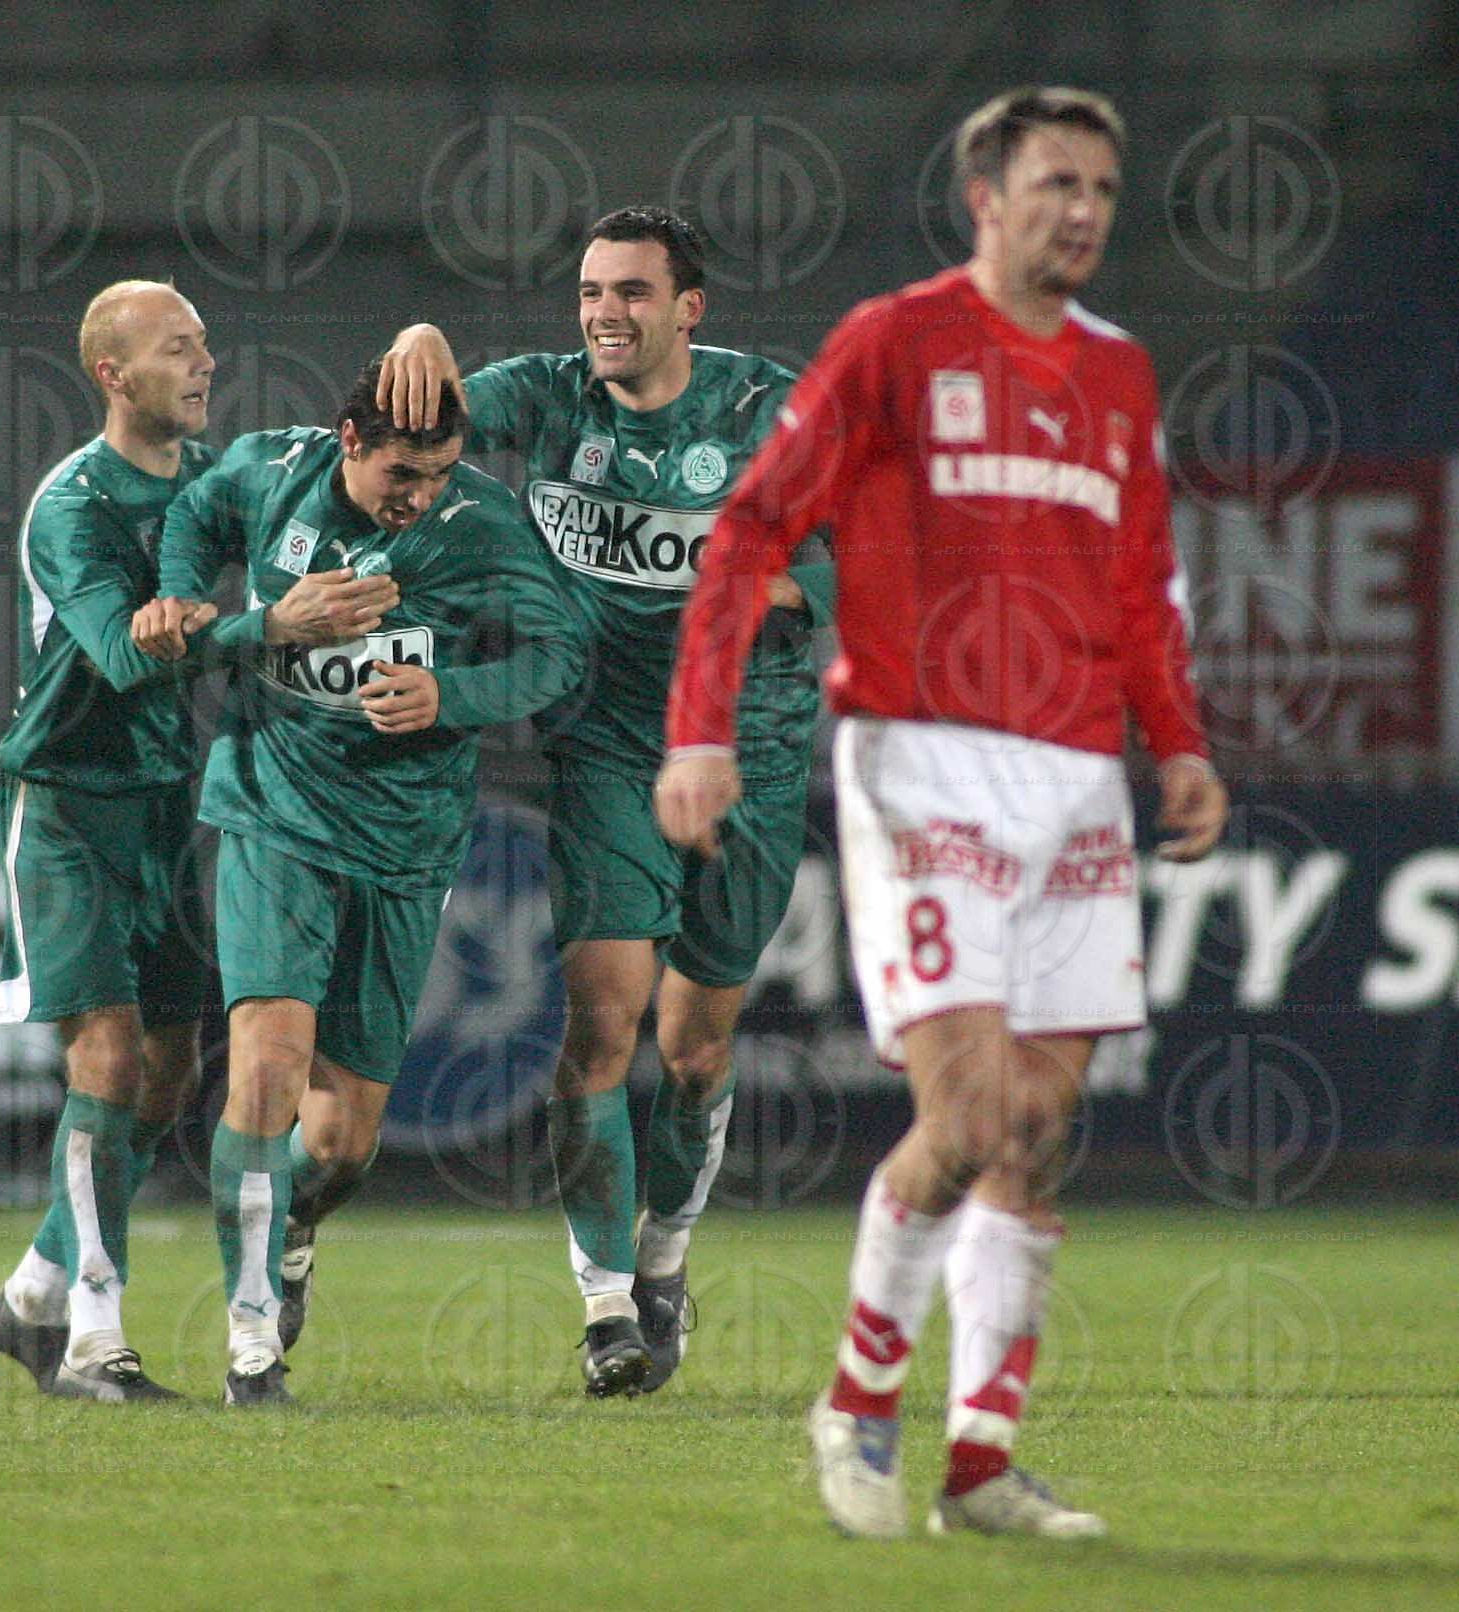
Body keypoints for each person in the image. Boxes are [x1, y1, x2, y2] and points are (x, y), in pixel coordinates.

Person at [655, 87, 1229, 1537]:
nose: (1082, 211)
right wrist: (700, 729)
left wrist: (1177, 743)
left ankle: (979, 1463)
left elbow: (1141, 580)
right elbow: (752, 527)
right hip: (922, 758)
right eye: (1055, 183)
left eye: (1101, 188)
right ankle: (859, 1402)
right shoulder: (894, 341)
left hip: (1074, 775)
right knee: (964, 1116)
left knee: (1036, 1129)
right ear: (985, 198)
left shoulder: (1119, 373)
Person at [378, 206, 835, 1396]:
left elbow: (856, 555)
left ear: (689, 307)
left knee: (695, 1046)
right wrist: (421, 340)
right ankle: (606, 1309)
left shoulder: (764, 411)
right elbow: (418, 416)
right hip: (605, 747)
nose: (604, 314)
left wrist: (749, 586)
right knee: (598, 1021)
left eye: (631, 291)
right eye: (590, 291)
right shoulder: (548, 397)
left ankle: (665, 1256)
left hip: (746, 751)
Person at [141, 358, 586, 1406]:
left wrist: (451, 694)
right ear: (348, 442)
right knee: (265, 1070)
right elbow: (196, 515)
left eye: (439, 473)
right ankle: (252, 1339)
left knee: (343, 1142)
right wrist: (180, 590)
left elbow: (560, 651)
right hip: (273, 812)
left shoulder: (481, 523)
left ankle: (291, 1224)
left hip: (406, 838)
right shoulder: (271, 473)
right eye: (401, 474)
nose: (420, 495)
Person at [0, 281, 391, 1401]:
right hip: (66, 805)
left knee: (165, 1079)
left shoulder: (213, 480)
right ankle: (89, 1337)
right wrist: (267, 625)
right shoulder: (74, 505)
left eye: (204, 343)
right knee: (107, 1062)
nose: (204, 362)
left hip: (166, 800)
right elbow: (121, 657)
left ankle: (28, 1293)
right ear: (112, 374)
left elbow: (309, 493)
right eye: (176, 348)